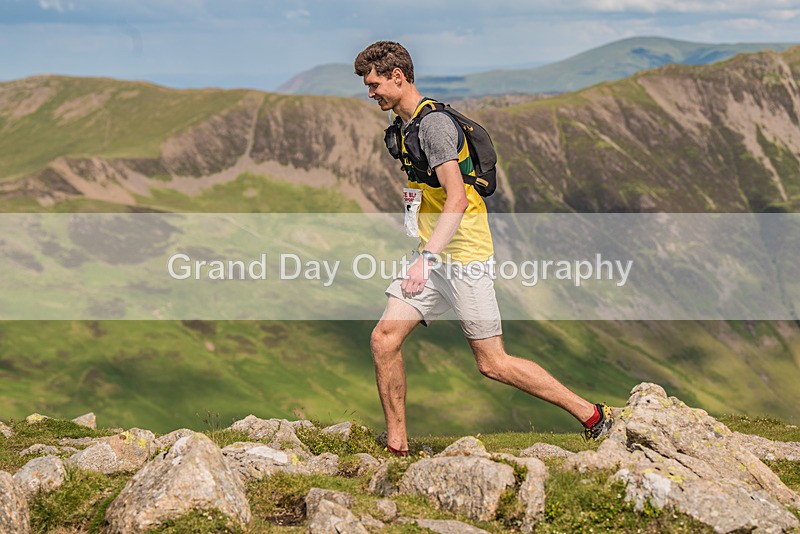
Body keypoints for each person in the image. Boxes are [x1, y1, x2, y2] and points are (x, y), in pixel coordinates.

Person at [354, 41, 613, 456]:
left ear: (397, 77)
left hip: (463, 258)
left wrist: (425, 260)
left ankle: (593, 416)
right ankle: (397, 447)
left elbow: (457, 199)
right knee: (384, 339)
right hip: (433, 254)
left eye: (374, 85)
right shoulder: (403, 125)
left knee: (492, 363)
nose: (370, 93)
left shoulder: (434, 127)